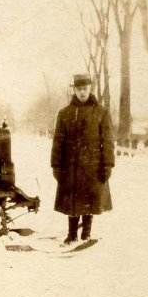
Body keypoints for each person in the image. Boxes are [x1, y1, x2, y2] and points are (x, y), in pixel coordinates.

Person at [51, 73, 115, 244]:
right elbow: (58, 141)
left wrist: (108, 164)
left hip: (93, 166)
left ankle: (86, 234)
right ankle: (72, 235)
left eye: (85, 88)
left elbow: (108, 141)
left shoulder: (101, 113)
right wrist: (56, 165)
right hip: (70, 166)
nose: (82, 92)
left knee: (90, 201)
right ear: (74, 90)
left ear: (90, 88)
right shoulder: (65, 113)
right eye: (78, 89)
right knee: (72, 201)